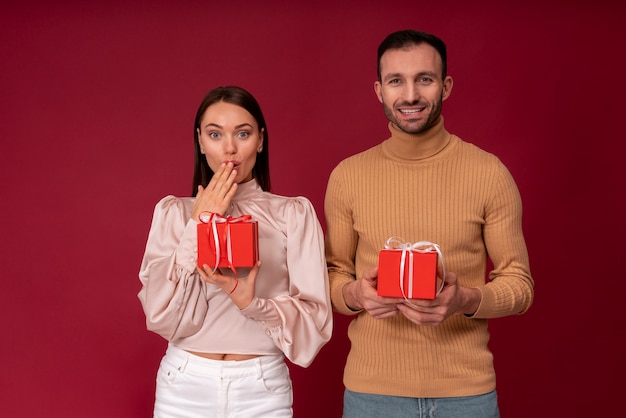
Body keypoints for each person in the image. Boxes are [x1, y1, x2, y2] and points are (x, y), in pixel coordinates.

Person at [324, 30, 534, 417]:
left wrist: (466, 301)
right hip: (372, 394)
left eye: (424, 79)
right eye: (395, 81)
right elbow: (331, 278)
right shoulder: (347, 177)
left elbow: (520, 285)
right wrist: (356, 294)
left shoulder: (488, 173)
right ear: (379, 90)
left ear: (446, 85)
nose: (410, 96)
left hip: (466, 394)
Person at [138, 85, 332, 418]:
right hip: (184, 384)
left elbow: (315, 321)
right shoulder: (174, 213)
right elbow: (159, 315)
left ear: (260, 139)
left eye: (242, 133)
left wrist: (252, 304)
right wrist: (201, 221)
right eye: (215, 134)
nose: (230, 148)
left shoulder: (292, 214)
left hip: (261, 387)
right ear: (200, 141)